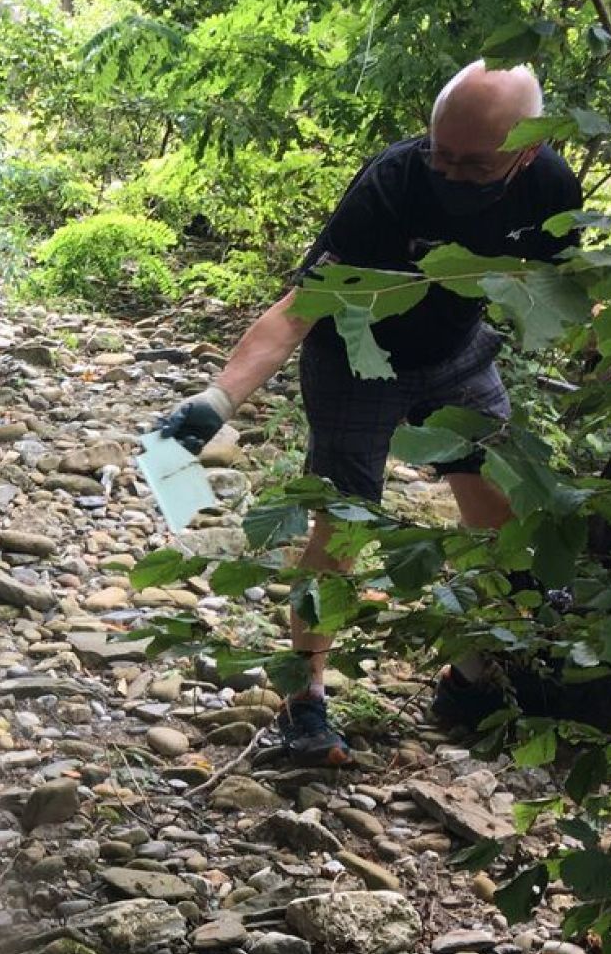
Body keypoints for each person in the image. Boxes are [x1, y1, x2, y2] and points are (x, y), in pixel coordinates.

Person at [153, 60, 584, 767]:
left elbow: (567, 289)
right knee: (344, 526)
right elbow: (298, 310)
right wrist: (211, 407)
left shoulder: (550, 185)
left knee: (503, 509)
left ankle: (472, 677)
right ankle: (306, 701)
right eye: (440, 152)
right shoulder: (393, 183)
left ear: (527, 149)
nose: (449, 172)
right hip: (354, 357)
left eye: (474, 165)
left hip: (457, 355)